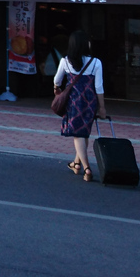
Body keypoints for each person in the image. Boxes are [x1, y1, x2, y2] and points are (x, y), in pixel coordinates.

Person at [53, 30, 106, 182]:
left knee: (78, 134)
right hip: (90, 101)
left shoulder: (65, 61)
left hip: (73, 101)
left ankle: (87, 168)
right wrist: (102, 107)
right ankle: (76, 164)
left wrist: (56, 89)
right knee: (84, 132)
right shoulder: (96, 62)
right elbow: (99, 87)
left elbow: (57, 80)